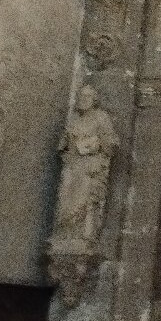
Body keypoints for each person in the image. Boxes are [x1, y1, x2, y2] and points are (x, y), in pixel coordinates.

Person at [53, 85, 119, 250]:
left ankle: (83, 236)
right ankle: (64, 235)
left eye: (87, 97)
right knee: (64, 197)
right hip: (72, 165)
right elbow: (62, 147)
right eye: (81, 96)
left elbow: (112, 143)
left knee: (84, 198)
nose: (83, 100)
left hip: (90, 167)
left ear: (94, 100)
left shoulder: (101, 118)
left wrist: (94, 144)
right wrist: (69, 140)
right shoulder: (74, 120)